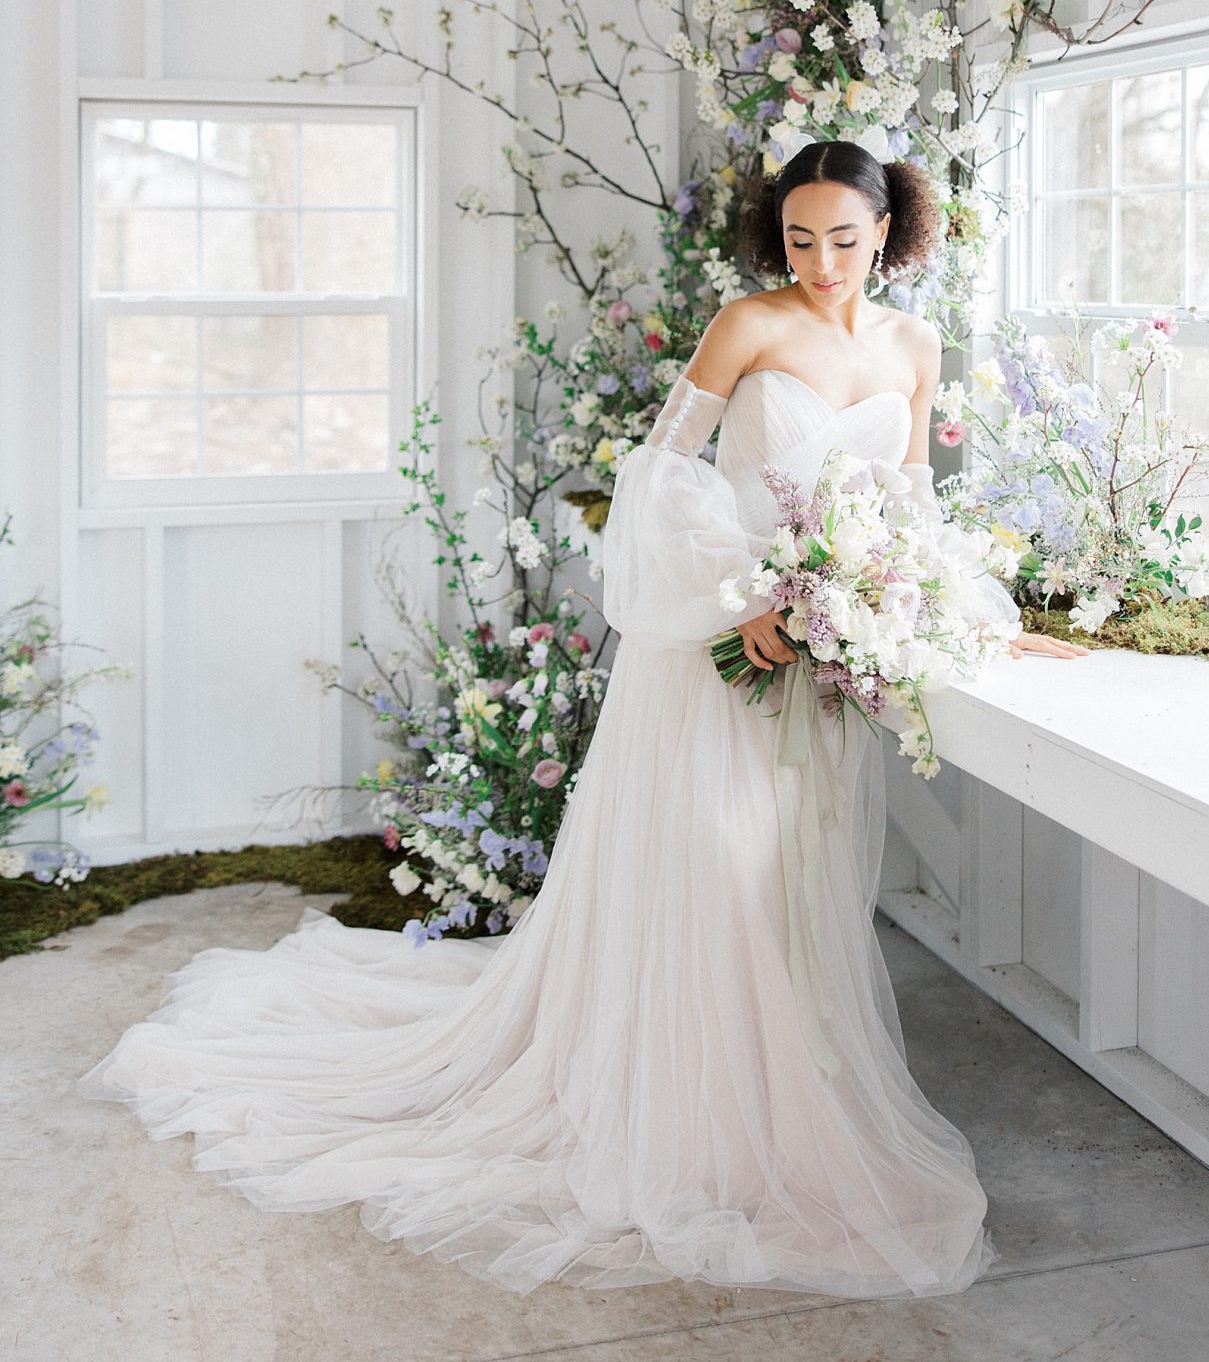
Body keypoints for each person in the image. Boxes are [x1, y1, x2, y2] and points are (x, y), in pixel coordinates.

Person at [78, 138, 1083, 1299]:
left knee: (790, 873)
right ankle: (678, 1113)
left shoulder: (913, 343)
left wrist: (960, 604)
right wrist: (746, 596)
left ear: (888, 227)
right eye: (798, 238)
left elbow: (906, 499)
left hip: (829, 651)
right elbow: (660, 475)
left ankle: (772, 1097)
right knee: (713, 858)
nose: (819, 261)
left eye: (843, 239)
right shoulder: (748, 324)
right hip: (721, 643)